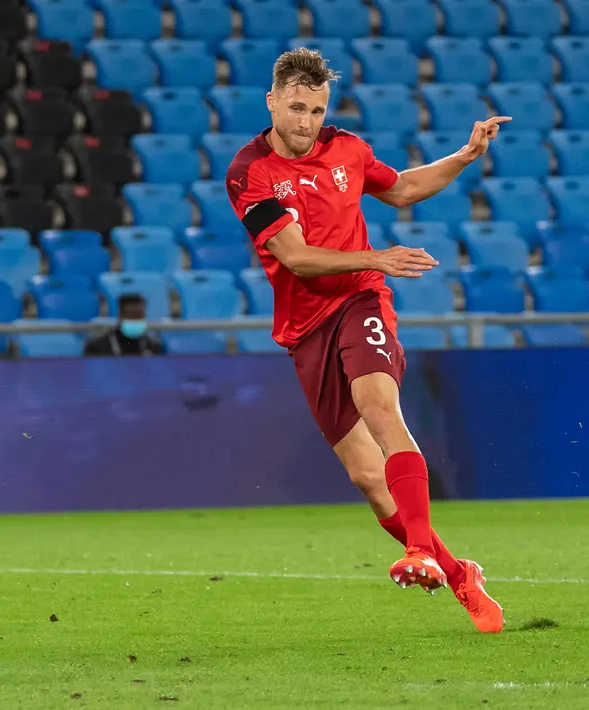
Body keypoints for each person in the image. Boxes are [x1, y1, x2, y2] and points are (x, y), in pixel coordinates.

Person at [225, 49, 507, 633]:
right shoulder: (249, 172)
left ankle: (420, 552)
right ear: (272, 101)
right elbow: (297, 259)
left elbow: (400, 189)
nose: (306, 122)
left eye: (317, 109)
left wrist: (464, 155)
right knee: (367, 478)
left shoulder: (347, 149)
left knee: (380, 408)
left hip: (360, 300)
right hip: (305, 327)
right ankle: (459, 574)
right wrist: (379, 253)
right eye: (296, 108)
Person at [84, 294, 164, 356]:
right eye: (132, 316)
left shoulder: (153, 346)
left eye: (139, 316)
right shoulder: (97, 347)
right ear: (120, 316)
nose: (135, 320)